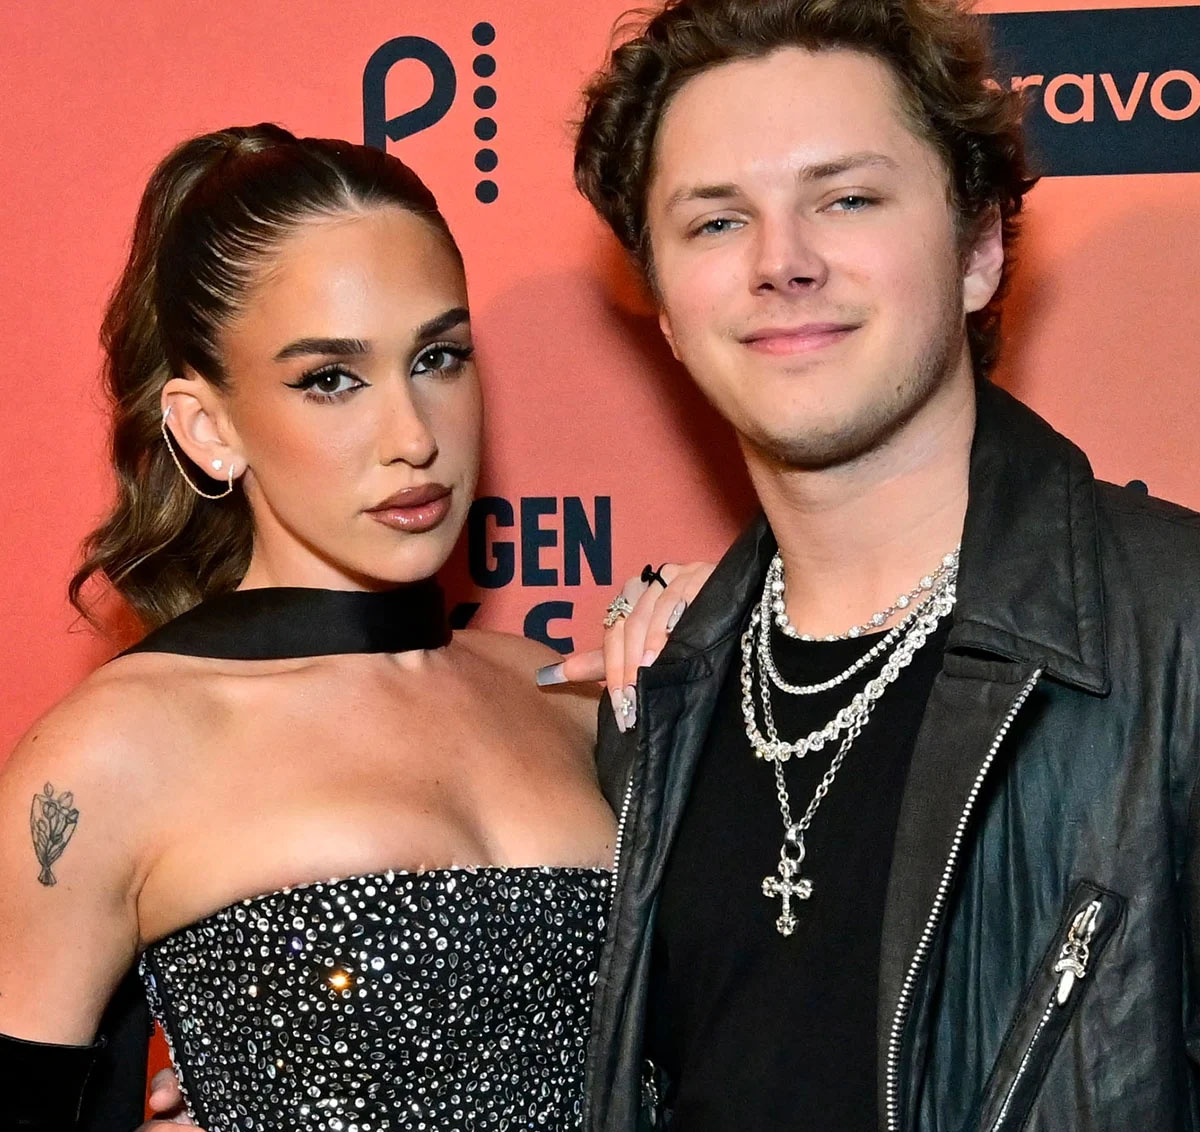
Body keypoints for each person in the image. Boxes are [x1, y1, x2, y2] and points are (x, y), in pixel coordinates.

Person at [566, 1, 1200, 1130]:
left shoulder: (1178, 633)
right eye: (716, 221)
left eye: (847, 199)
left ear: (978, 248)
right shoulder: (657, 696)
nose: (782, 262)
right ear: (662, 306)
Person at [0, 123, 706, 1132]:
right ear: (210, 427)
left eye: (439, 357)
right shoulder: (110, 755)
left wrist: (734, 640)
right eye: (330, 378)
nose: (413, 436)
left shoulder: (568, 693)